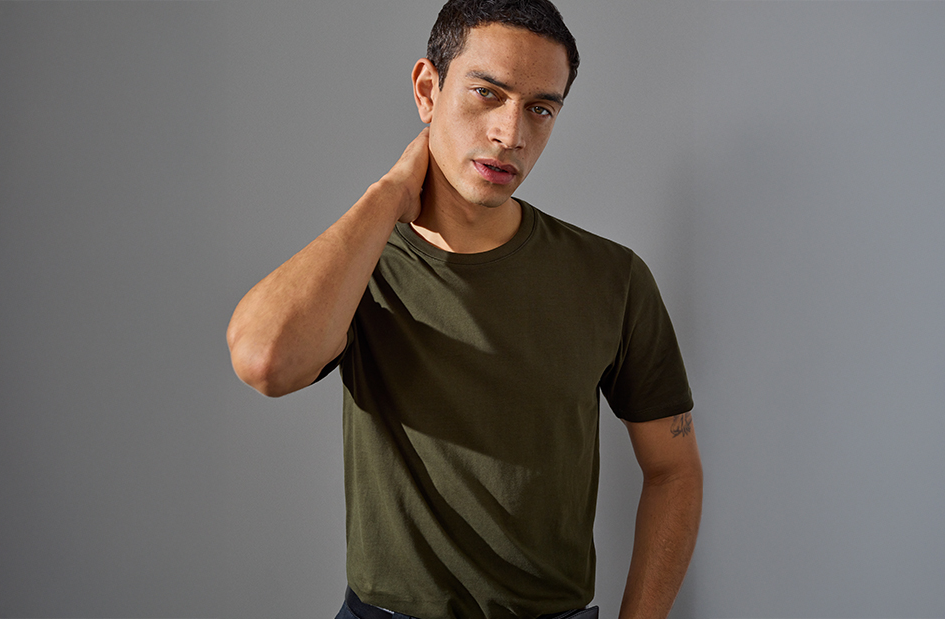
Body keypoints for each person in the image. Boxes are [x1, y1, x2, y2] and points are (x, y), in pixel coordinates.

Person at [226, 1, 702, 617]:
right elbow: (265, 361)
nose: (511, 134)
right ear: (428, 90)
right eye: (487, 93)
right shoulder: (358, 266)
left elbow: (673, 470)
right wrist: (389, 193)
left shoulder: (611, 277)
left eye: (540, 108)